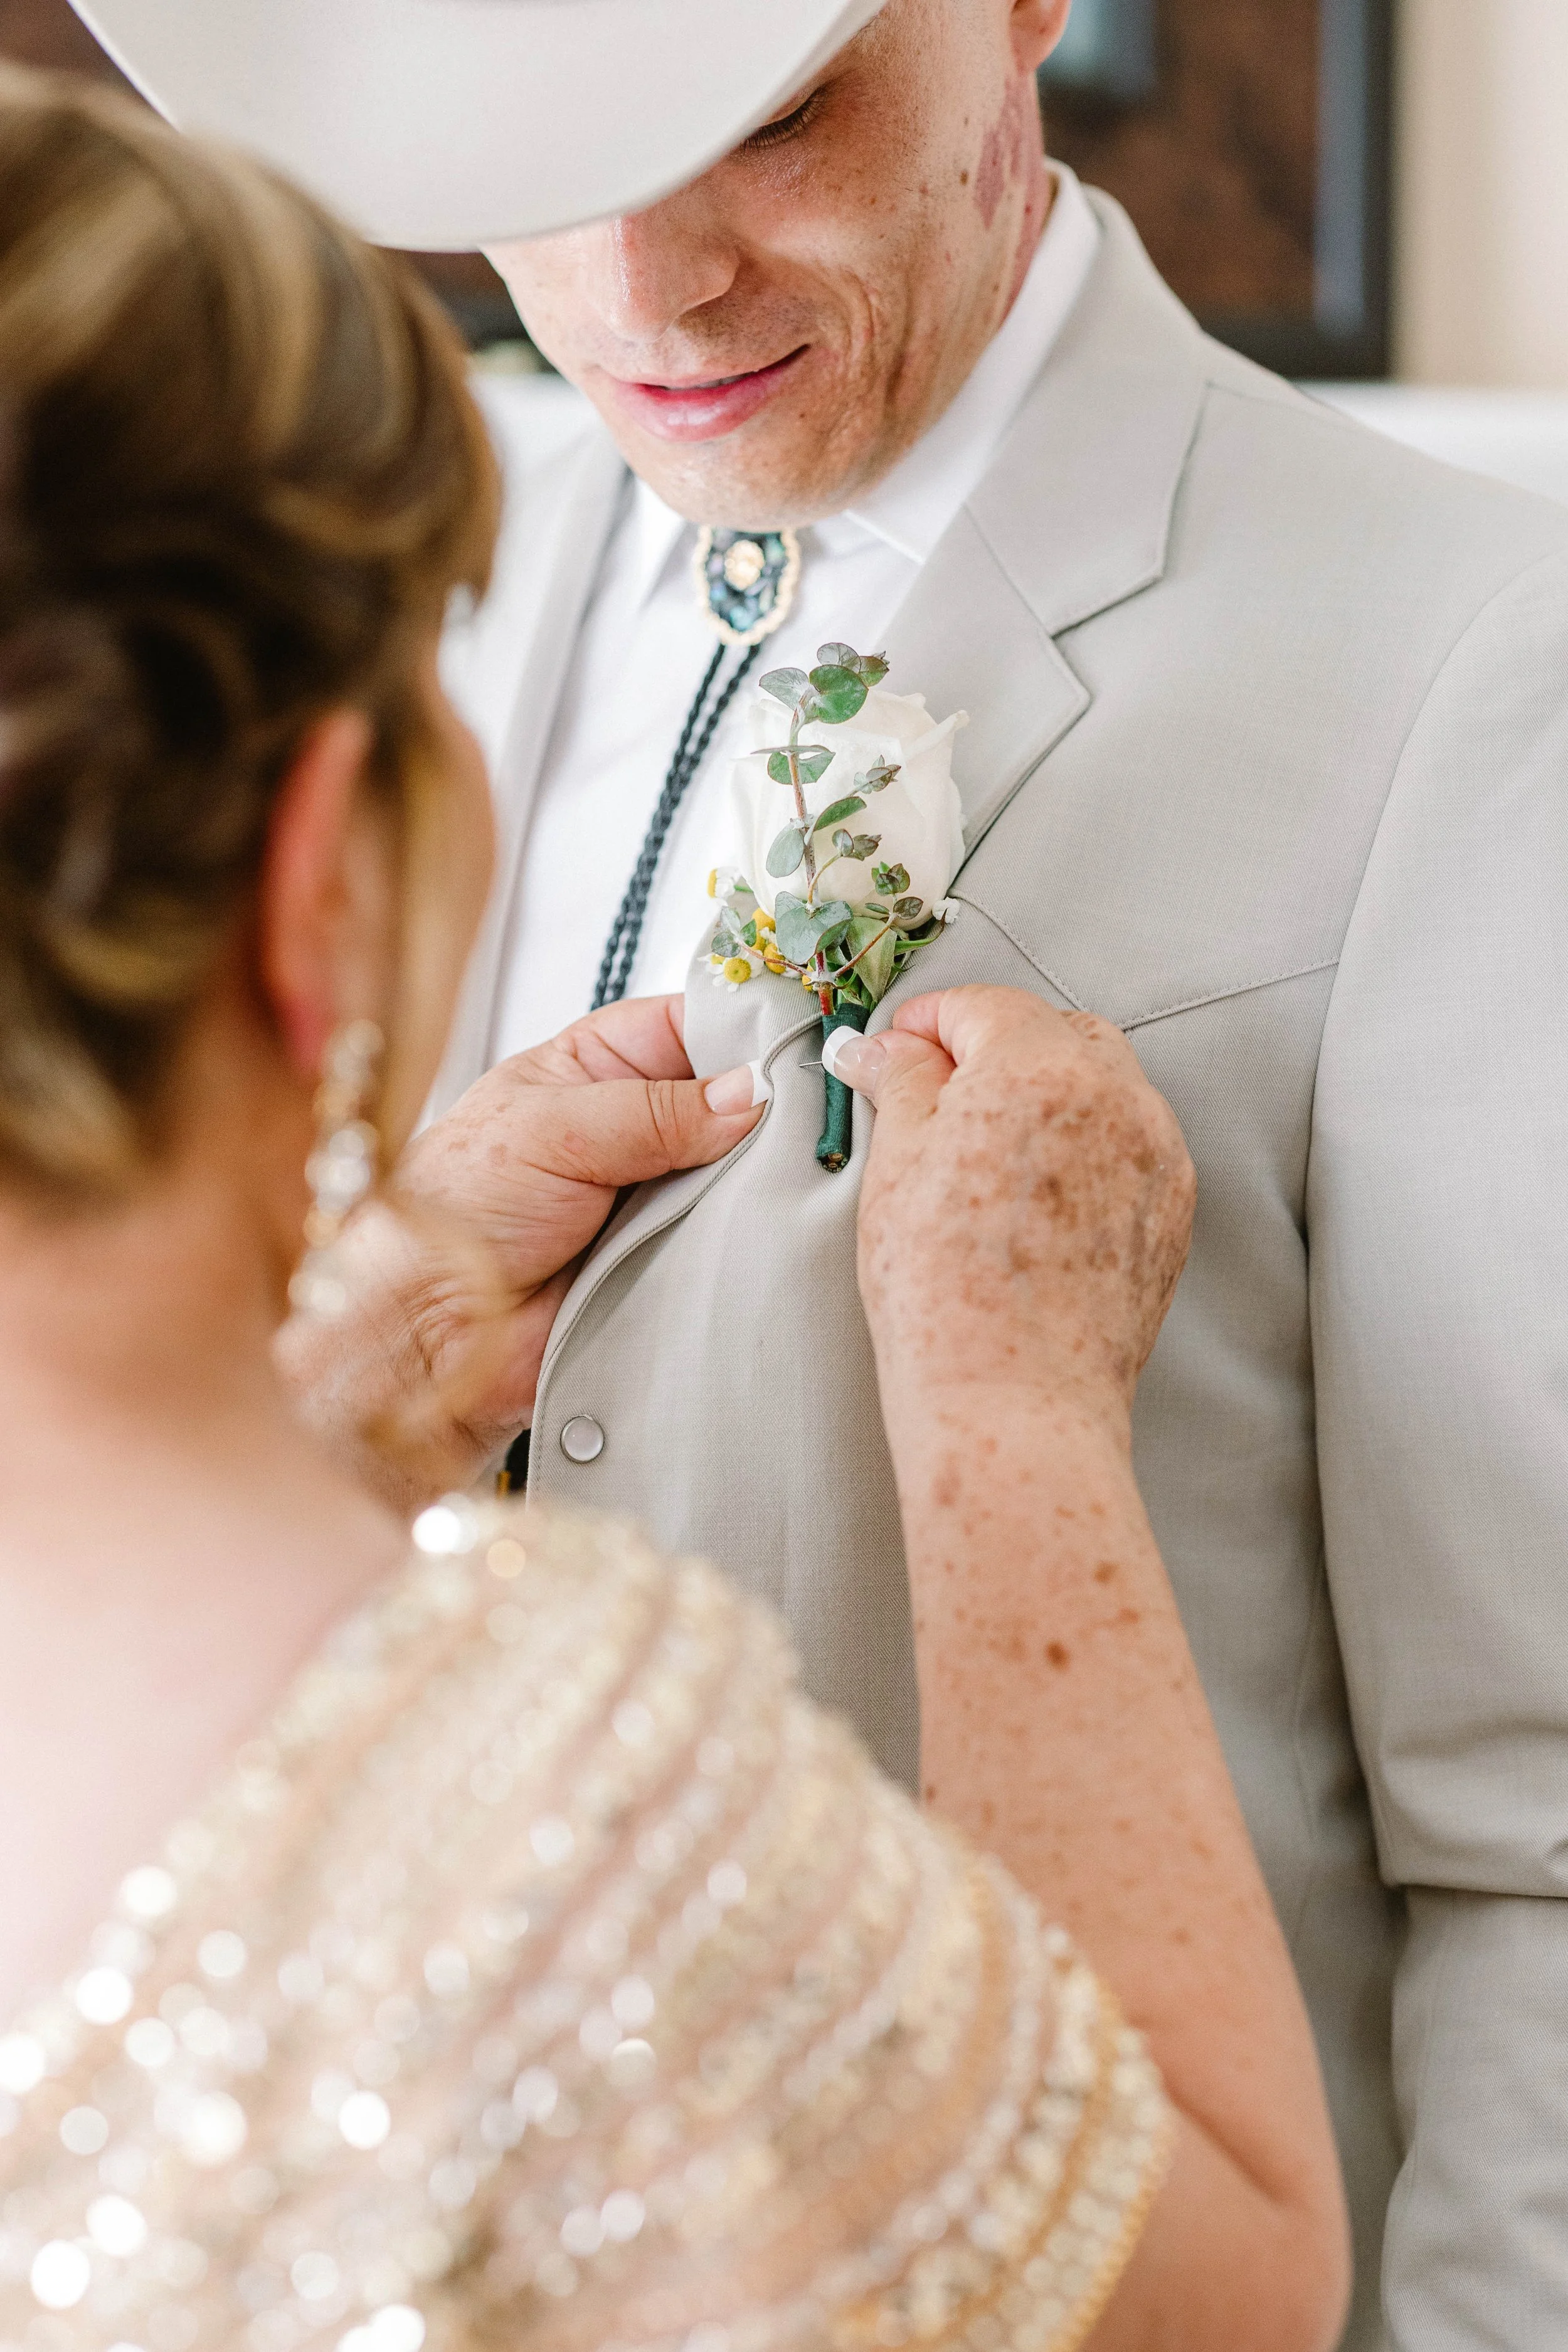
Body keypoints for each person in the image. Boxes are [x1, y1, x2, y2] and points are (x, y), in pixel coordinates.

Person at [70, 0, 1568, 2343]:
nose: (647, 285)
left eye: (773, 122)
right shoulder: (406, 590)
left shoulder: (1481, 665)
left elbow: (1538, 1844)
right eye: (542, 153)